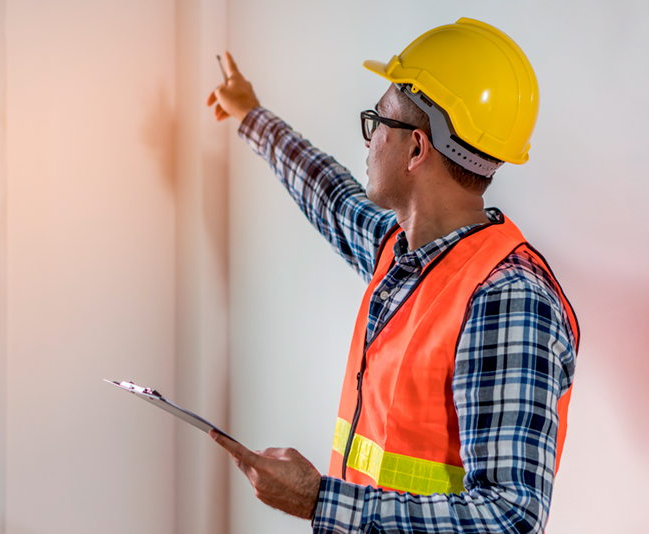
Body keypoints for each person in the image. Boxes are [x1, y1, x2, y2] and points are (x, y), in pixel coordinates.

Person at [206, 18, 579, 534]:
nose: (369, 138)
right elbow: (330, 194)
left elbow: (508, 520)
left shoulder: (508, 298)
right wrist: (250, 114)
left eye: (376, 120)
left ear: (416, 148)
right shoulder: (400, 253)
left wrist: (318, 501)